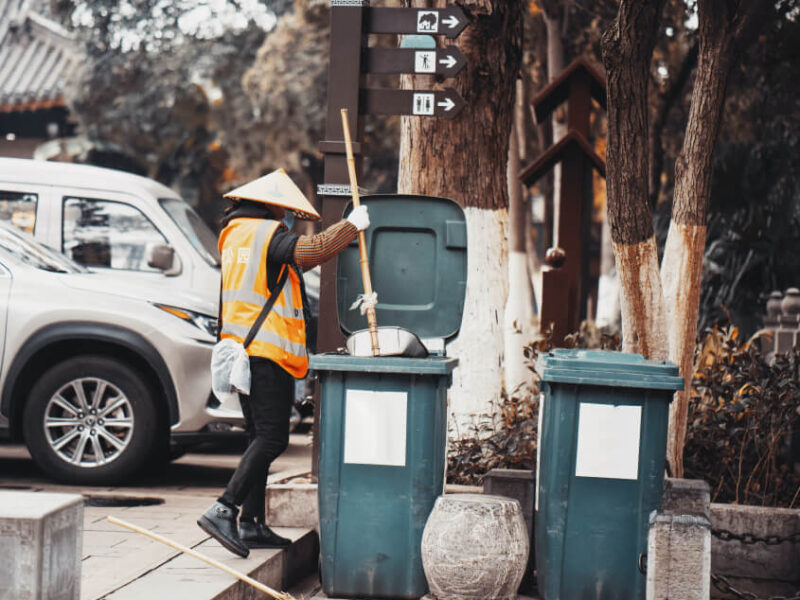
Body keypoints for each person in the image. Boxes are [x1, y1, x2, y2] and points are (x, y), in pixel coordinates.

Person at [198, 169, 369, 557]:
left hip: (240, 350)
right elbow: (311, 251)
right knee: (272, 437)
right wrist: (350, 227)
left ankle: (252, 523)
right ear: (272, 206)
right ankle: (224, 508)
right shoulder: (266, 233)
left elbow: (284, 269)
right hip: (265, 354)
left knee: (257, 435)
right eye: (285, 212)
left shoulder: (236, 235)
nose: (287, 219)